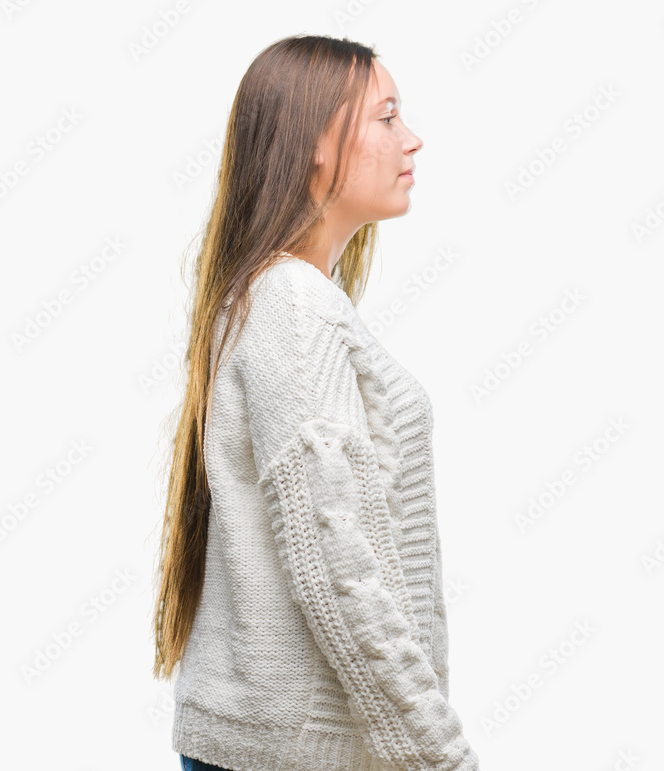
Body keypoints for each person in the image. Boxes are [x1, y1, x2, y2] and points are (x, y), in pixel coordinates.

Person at [152, 33, 481, 770]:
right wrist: (441, 753)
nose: (413, 139)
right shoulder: (293, 306)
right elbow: (338, 564)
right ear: (316, 146)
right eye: (387, 116)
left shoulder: (273, 297)